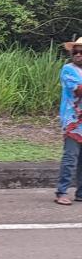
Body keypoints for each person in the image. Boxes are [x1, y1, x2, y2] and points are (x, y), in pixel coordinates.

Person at [55, 36, 82, 205]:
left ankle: (80, 193)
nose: (78, 54)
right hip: (73, 120)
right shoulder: (68, 70)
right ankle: (62, 191)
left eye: (81, 52)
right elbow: (78, 90)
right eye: (75, 51)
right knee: (71, 158)